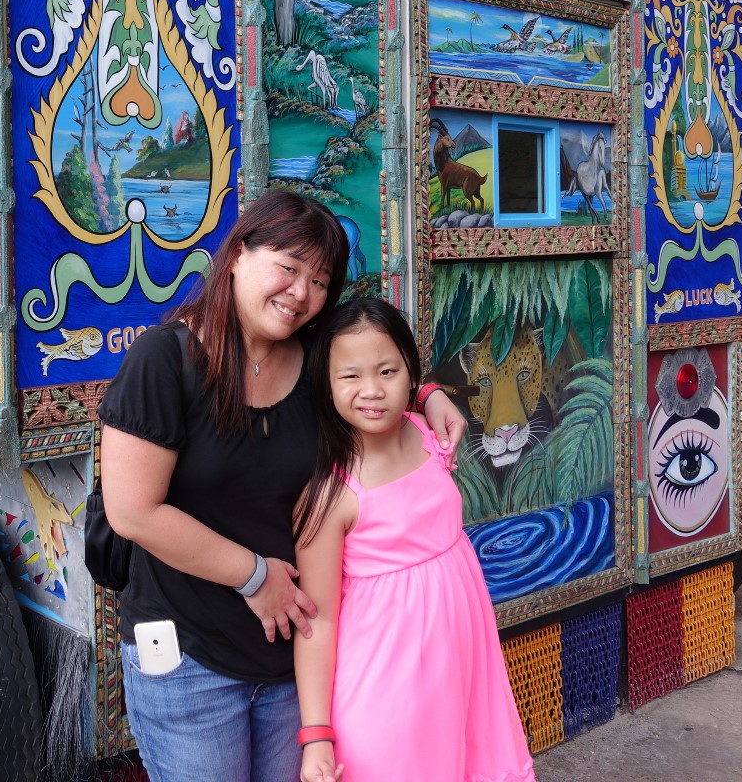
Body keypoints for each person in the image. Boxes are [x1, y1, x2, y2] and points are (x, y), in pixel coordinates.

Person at [99, 192, 469, 782]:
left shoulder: (315, 358)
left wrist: (429, 395)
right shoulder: (164, 361)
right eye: (288, 267)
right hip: (190, 657)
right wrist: (254, 576)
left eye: (319, 281)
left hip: (293, 658)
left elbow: (378, 365)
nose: (301, 292)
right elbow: (132, 511)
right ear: (238, 255)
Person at [293, 298, 534, 782]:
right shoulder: (331, 494)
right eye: (350, 376)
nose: (372, 390)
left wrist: (433, 397)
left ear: (411, 375)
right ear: (326, 383)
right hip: (387, 690)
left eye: (387, 371)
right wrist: (316, 735)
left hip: (460, 670)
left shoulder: (428, 434)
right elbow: (317, 619)